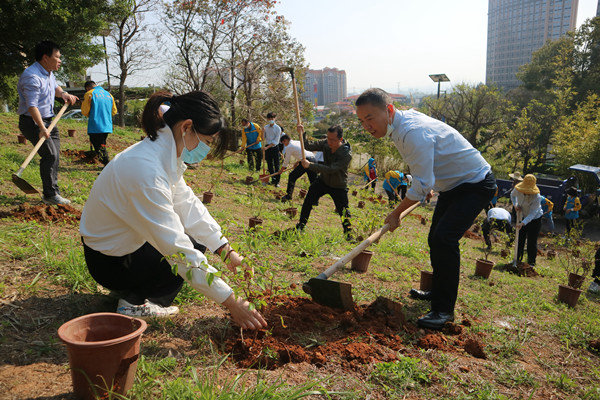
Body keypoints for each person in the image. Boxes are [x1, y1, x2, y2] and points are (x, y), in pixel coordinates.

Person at [79, 90, 267, 329]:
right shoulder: (146, 171)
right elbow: (178, 251)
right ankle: (134, 302)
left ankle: (135, 290)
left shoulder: (162, 154)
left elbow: (187, 204)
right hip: (110, 262)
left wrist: (226, 251)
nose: (206, 150)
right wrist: (232, 301)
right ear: (186, 127)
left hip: (122, 248)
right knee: (186, 250)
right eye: (207, 142)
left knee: (197, 241)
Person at [355, 88, 495, 330]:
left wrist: (396, 212)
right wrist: (427, 184)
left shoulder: (412, 132)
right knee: (435, 238)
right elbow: (427, 167)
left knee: (444, 239)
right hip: (453, 185)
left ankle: (444, 310)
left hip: (475, 184)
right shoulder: (400, 124)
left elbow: (421, 183)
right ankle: (437, 291)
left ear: (389, 110)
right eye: (361, 121)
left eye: (370, 118)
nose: (366, 126)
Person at [17, 40, 78, 205]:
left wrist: (63, 94)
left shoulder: (48, 72)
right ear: (45, 58)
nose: (60, 60)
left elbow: (55, 87)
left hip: (49, 119)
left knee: (54, 155)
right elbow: (32, 106)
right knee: (50, 154)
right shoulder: (32, 76)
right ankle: (50, 195)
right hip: (32, 121)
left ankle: (53, 192)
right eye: (57, 57)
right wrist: (41, 128)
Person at [295, 125, 352, 238]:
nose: (329, 142)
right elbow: (308, 145)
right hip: (323, 180)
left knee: (344, 211)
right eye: (328, 138)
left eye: (333, 140)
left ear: (340, 139)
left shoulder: (346, 154)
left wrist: (310, 165)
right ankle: (301, 225)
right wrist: (302, 133)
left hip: (338, 185)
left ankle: (348, 234)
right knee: (308, 201)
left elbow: (331, 169)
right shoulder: (326, 142)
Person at [510, 174, 543, 267]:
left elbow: (533, 213)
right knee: (520, 239)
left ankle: (531, 263)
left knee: (531, 241)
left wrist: (523, 223)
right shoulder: (518, 189)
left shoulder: (536, 197)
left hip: (535, 219)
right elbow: (512, 195)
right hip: (522, 215)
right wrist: (515, 205)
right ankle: (517, 259)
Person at [81, 80, 117, 165]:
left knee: (98, 147)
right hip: (107, 125)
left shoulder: (89, 93)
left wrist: (91, 114)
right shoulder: (109, 94)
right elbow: (114, 111)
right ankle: (106, 162)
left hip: (95, 125)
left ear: (87, 88)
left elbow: (85, 111)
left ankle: (107, 164)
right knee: (102, 144)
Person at [279, 134, 323, 201]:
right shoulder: (297, 142)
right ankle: (315, 200)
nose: (284, 145)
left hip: (305, 161)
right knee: (313, 181)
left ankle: (288, 196)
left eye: (283, 143)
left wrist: (282, 169)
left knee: (292, 176)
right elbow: (302, 153)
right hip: (313, 159)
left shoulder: (289, 146)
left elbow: (286, 160)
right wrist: (297, 162)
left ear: (285, 140)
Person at [263, 112, 283, 186]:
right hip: (267, 147)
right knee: (269, 164)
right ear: (267, 119)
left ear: (275, 118)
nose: (271, 120)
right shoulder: (265, 127)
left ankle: (277, 182)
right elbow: (263, 138)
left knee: (276, 165)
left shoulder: (278, 128)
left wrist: (267, 147)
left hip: (274, 147)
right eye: (269, 118)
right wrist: (262, 132)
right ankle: (272, 179)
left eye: (272, 118)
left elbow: (276, 141)